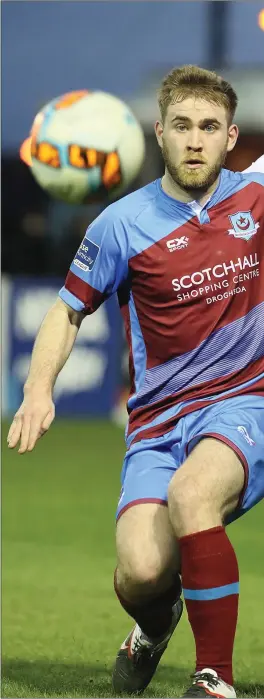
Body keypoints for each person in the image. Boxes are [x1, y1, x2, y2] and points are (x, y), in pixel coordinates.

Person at [7, 65, 264, 698]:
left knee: (193, 493)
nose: (195, 140)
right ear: (159, 134)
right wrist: (39, 389)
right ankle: (155, 625)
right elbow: (67, 311)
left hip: (244, 401)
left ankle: (214, 679)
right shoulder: (120, 225)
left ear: (232, 137)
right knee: (143, 570)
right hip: (156, 423)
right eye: (182, 126)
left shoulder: (256, 198)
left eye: (209, 127)